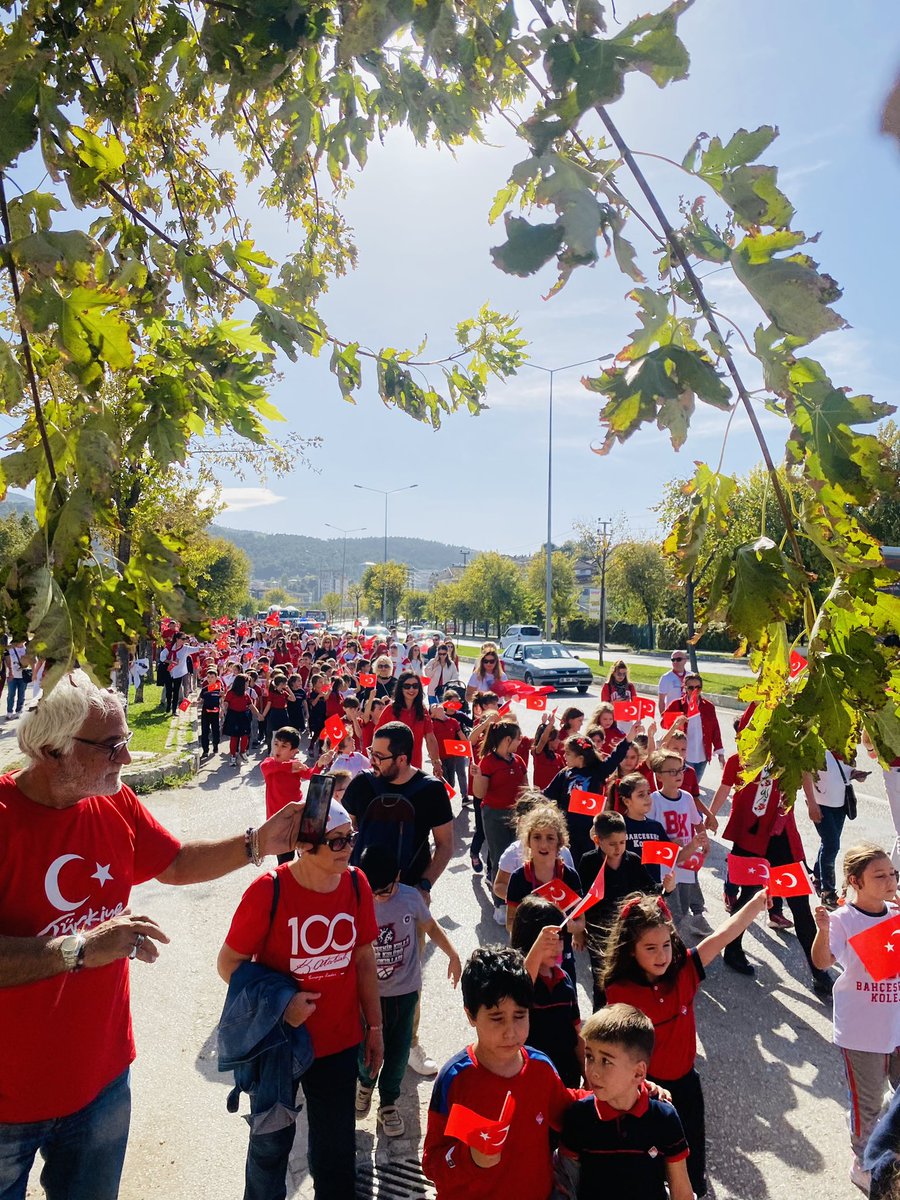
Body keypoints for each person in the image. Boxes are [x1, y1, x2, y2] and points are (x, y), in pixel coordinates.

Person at [0, 669, 305, 1200]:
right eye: (111, 745)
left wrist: (258, 842)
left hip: (101, 1082)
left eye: (125, 740)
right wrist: (80, 948)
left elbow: (174, 862)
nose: (126, 756)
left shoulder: (113, 800)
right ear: (51, 750)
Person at [218, 799, 382, 1200]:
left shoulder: (356, 883)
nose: (348, 848)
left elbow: (363, 957)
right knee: (270, 1148)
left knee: (336, 1151)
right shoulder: (269, 891)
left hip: (338, 1041)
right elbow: (228, 965)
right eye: (336, 841)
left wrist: (376, 1026)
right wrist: (282, 1004)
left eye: (350, 838)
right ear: (306, 845)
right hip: (279, 1045)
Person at [603, 888, 769, 1198]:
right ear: (630, 950)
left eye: (666, 945)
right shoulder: (619, 991)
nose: (661, 955)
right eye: (650, 948)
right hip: (646, 1089)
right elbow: (613, 1048)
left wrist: (756, 904)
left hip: (686, 1084)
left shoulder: (685, 969)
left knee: (691, 1154)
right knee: (650, 1158)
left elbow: (722, 935)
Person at [343, 721, 454, 1078]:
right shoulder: (363, 784)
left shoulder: (431, 790)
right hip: (358, 897)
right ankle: (354, 1040)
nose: (371, 761)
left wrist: (424, 886)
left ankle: (409, 1043)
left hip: (406, 901)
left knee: (405, 977)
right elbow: (344, 831)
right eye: (371, 753)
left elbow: (446, 845)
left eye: (379, 756)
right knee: (353, 971)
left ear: (403, 758)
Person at [422, 947, 574, 1200]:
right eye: (496, 1018)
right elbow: (432, 1164)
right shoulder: (455, 1078)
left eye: (519, 1015)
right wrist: (470, 1157)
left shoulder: (541, 1068)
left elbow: (570, 1113)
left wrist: (618, 1090)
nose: (510, 1032)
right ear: (471, 1015)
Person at [811, 843, 900, 1195]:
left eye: (892, 873)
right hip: (862, 1031)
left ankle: (888, 1142)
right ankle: (863, 1162)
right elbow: (822, 962)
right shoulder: (842, 920)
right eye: (880, 876)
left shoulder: (896, 913)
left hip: (896, 1024)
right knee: (868, 1104)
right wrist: (821, 929)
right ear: (855, 881)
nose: (890, 881)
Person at [355, 844, 461, 1137]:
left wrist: (452, 954)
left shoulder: (411, 898)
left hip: (405, 993)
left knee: (399, 1052)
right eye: (374, 892)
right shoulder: (357, 900)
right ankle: (365, 1083)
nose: (380, 897)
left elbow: (431, 926)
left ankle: (388, 1103)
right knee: (366, 1049)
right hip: (369, 994)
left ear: (398, 877)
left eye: (386, 891)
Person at [707, 750, 834, 992]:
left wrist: (812, 803)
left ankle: (819, 971)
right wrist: (711, 814)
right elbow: (725, 787)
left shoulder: (790, 753)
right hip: (752, 837)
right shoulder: (740, 759)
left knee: (800, 904)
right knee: (748, 897)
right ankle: (732, 949)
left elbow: (804, 772)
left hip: (783, 837)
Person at [557, 1003, 692, 1200]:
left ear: (638, 1072)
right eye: (589, 1056)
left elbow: (681, 1191)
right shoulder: (578, 1117)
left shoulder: (664, 1118)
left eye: (606, 1061)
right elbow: (566, 1187)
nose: (593, 1071)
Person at [579, 810, 674, 1009]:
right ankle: (601, 1018)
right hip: (599, 935)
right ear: (598, 840)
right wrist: (578, 931)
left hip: (627, 933)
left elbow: (651, 891)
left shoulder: (632, 860)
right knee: (602, 981)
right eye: (612, 843)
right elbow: (581, 899)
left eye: (622, 842)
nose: (618, 848)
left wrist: (667, 887)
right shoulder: (588, 862)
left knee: (628, 978)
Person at [504, 804, 584, 985]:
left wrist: (570, 926)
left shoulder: (569, 876)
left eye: (550, 838)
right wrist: (533, 933)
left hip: (562, 959)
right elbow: (510, 922)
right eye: (537, 837)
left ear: (560, 842)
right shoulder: (519, 878)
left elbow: (581, 922)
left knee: (566, 1000)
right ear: (528, 841)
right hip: (529, 959)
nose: (543, 844)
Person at [511, 898, 584, 1087]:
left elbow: (577, 1033)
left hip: (567, 1078)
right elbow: (521, 990)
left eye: (561, 939)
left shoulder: (564, 979)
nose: (558, 947)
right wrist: (537, 948)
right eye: (549, 941)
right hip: (531, 1080)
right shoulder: (516, 979)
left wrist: (588, 1073)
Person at [543, 735, 632, 866]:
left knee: (586, 864)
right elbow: (547, 794)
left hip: (589, 831)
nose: (564, 756)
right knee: (569, 864)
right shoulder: (565, 774)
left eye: (568, 753)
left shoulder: (597, 772)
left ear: (580, 758)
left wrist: (628, 739)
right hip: (567, 830)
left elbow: (615, 757)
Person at [471, 718, 528, 917]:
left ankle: (516, 897)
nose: (520, 741)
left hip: (517, 816)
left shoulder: (518, 760)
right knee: (500, 857)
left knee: (518, 858)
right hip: (494, 815)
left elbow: (525, 787)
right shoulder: (487, 762)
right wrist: (477, 776)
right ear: (507, 740)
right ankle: (500, 903)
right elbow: (479, 794)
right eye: (517, 738)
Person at [648, 750, 709, 930]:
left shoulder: (687, 797)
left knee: (684, 901)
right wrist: (667, 844)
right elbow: (649, 833)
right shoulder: (654, 800)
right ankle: (671, 936)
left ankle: (685, 927)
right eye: (672, 771)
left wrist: (704, 840)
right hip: (666, 864)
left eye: (681, 770)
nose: (678, 775)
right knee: (669, 906)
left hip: (686, 859)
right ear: (659, 776)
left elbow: (697, 822)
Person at [803, 750, 864, 908]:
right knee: (832, 846)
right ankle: (828, 893)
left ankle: (818, 878)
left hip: (840, 804)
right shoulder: (818, 746)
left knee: (828, 843)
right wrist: (811, 804)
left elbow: (843, 770)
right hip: (821, 804)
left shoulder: (845, 745)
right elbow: (805, 773)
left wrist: (855, 774)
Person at [375, 670, 443, 777]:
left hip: (414, 765)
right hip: (392, 767)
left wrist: (436, 761)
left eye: (415, 686)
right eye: (407, 686)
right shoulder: (390, 709)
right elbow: (377, 737)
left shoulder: (422, 710)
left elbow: (430, 738)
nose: (411, 689)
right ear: (401, 688)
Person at [661, 674, 724, 783]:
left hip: (702, 756)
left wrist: (720, 753)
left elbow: (715, 730)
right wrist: (676, 721)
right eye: (691, 687)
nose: (695, 690)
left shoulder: (708, 706)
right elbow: (663, 724)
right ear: (685, 688)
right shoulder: (677, 704)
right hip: (683, 755)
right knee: (684, 786)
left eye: (698, 687)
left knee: (694, 786)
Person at [222, 673, 257, 766]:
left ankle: (242, 751)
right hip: (233, 716)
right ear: (241, 683)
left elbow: (251, 706)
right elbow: (226, 704)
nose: (248, 685)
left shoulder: (246, 695)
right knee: (234, 737)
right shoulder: (231, 693)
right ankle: (233, 756)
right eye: (246, 683)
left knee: (245, 735)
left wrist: (259, 715)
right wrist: (223, 712)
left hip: (243, 716)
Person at [196, 667, 223, 759]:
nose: (210, 679)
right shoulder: (204, 689)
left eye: (212, 677)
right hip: (205, 712)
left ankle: (215, 745)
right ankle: (205, 750)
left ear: (216, 678)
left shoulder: (219, 689)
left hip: (215, 713)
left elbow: (222, 701)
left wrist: (222, 710)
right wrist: (196, 703)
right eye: (208, 677)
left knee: (215, 731)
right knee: (205, 731)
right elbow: (201, 700)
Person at [4, 639, 30, 720]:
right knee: (11, 694)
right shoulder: (9, 649)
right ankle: (9, 712)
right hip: (12, 676)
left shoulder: (27, 649)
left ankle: (19, 711)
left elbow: (32, 661)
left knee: (21, 694)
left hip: (23, 676)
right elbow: (5, 660)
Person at [657, 650, 689, 715]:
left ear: (685, 660)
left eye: (678, 659)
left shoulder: (691, 676)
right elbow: (661, 700)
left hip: (689, 713)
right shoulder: (666, 677)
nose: (675, 662)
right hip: (672, 713)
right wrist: (663, 716)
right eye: (673, 660)